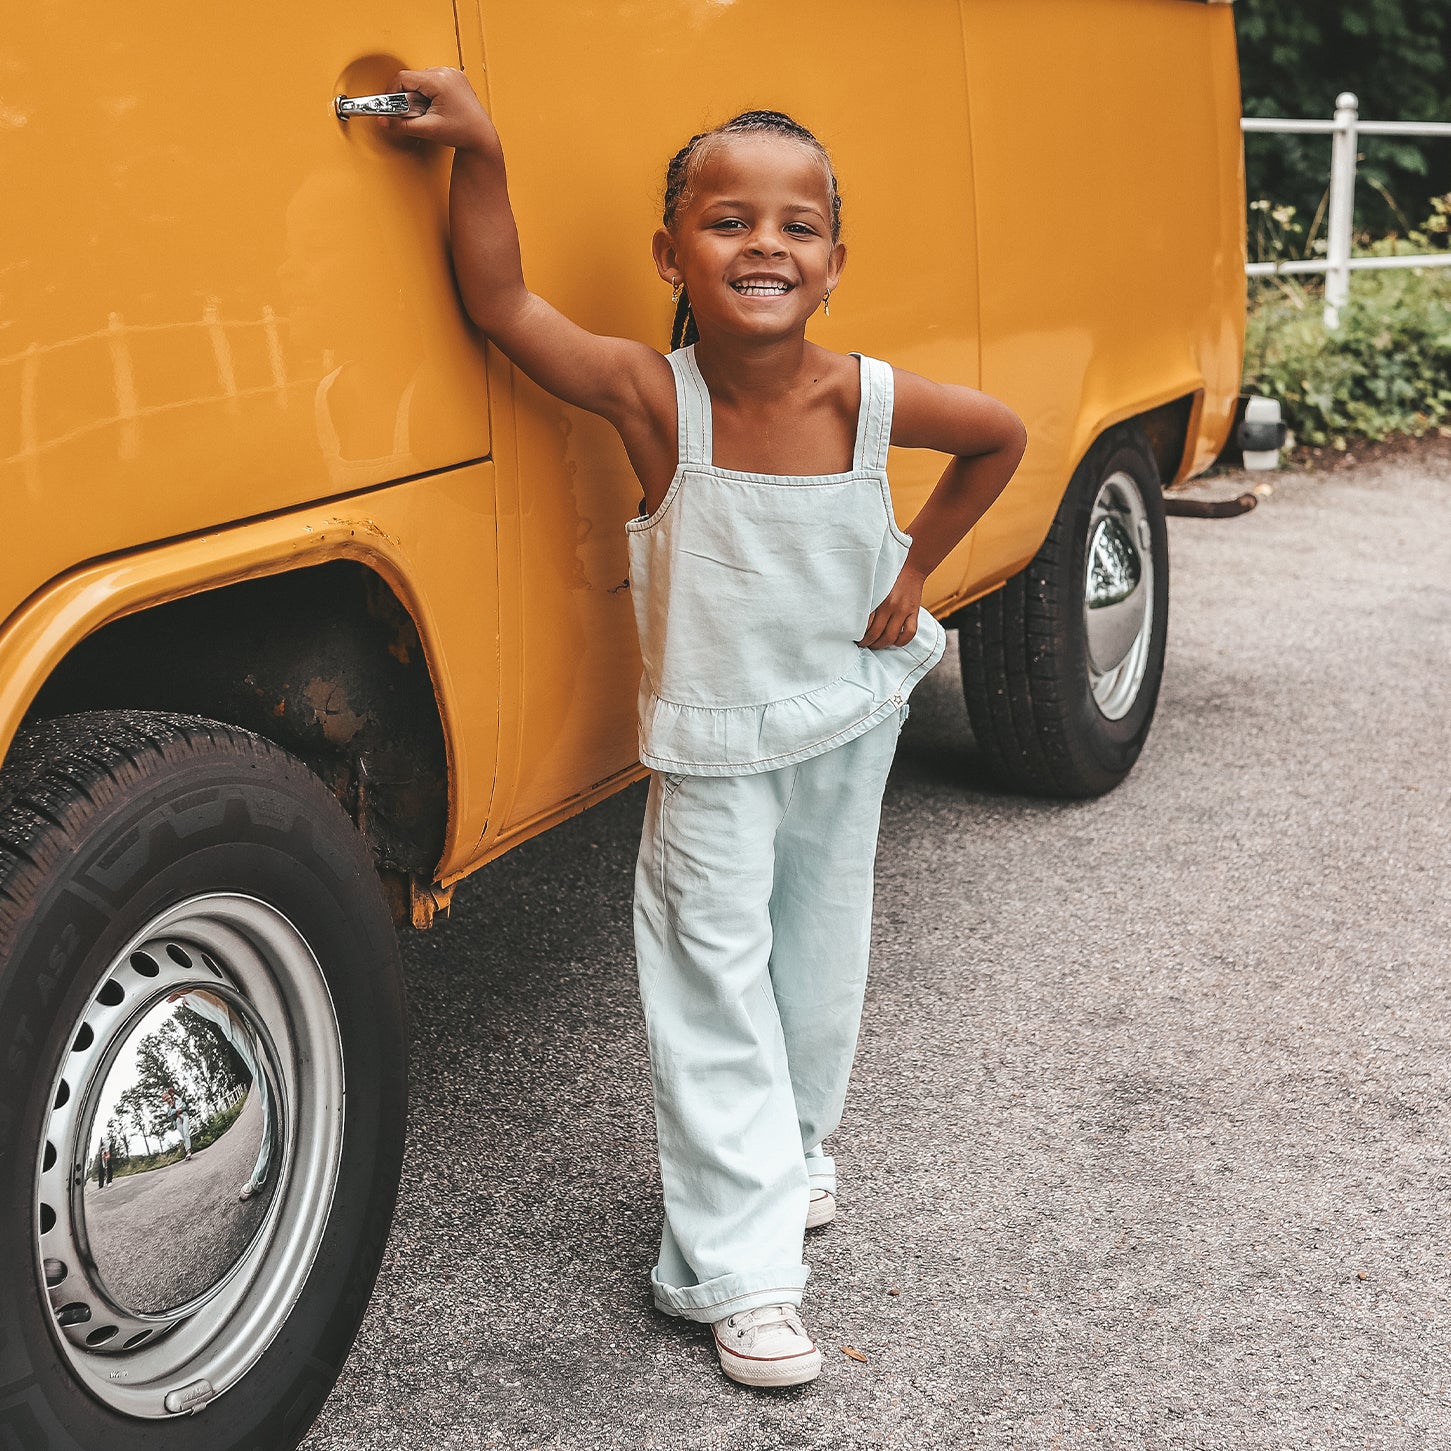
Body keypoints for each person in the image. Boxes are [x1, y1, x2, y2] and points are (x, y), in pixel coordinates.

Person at [391, 69, 1026, 1388]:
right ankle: (742, 1270)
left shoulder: (867, 399)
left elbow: (1003, 439)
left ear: (836, 261)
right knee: (712, 995)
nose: (765, 246)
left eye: (797, 226)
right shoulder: (652, 398)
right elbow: (503, 305)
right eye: (729, 220)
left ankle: (790, 1158)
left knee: (816, 969)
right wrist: (483, 149)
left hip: (849, 732)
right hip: (718, 760)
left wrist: (912, 575)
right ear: (672, 249)